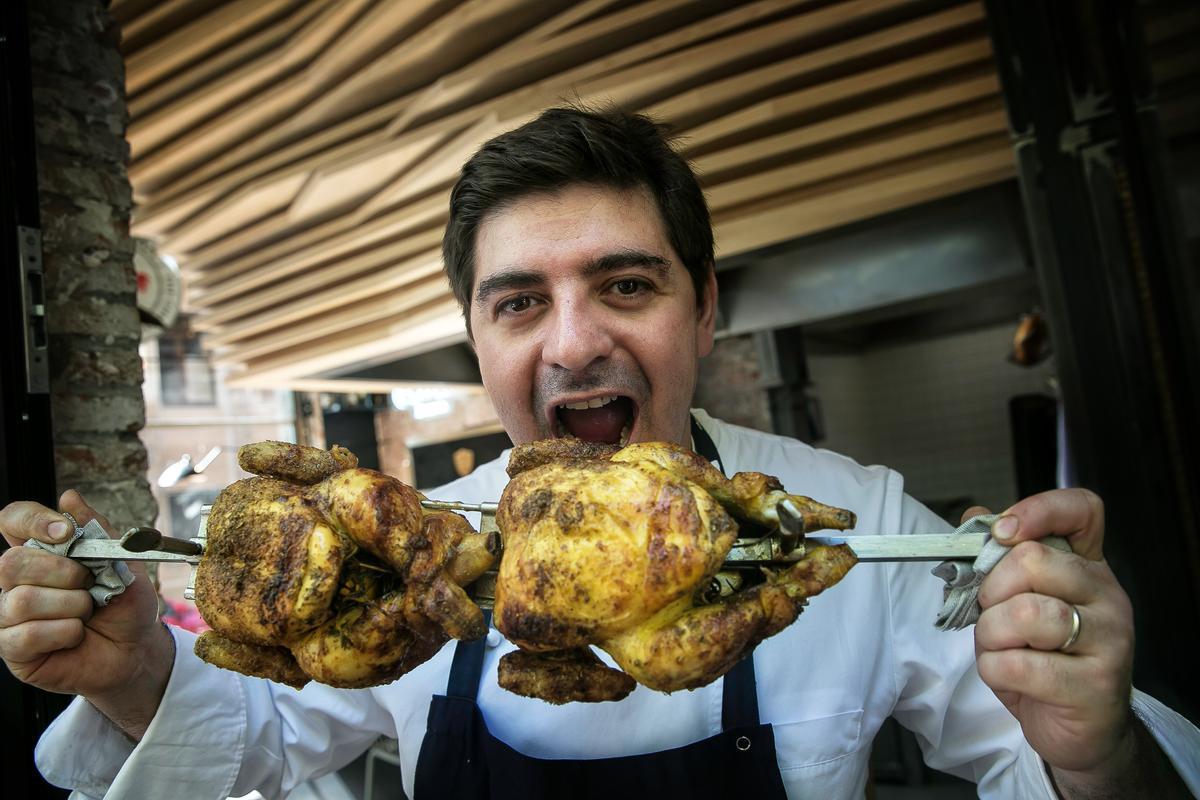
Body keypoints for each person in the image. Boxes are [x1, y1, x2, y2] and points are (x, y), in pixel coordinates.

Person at [2, 107, 1197, 799]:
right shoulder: (420, 540)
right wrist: (129, 671)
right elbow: (259, 739)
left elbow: (1056, 769)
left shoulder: (847, 521)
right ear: (477, 340)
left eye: (627, 283)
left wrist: (1102, 747)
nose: (576, 342)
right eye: (519, 303)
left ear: (705, 309)